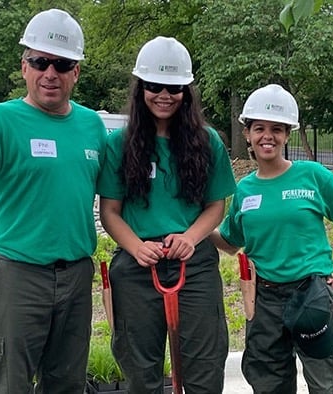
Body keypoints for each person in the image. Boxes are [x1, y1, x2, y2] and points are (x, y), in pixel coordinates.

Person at [0, 9, 107, 393]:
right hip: (19, 273)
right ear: (24, 67)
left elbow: (116, 195)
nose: (51, 72)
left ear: (76, 72)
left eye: (63, 64)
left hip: (76, 274)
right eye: (40, 61)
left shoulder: (92, 126)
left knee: (67, 381)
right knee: (8, 380)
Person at [97, 36, 237, 393]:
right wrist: (136, 247)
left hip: (193, 262)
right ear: (140, 87)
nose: (164, 94)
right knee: (139, 368)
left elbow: (215, 205)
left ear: (186, 92)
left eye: (174, 87)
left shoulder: (207, 142)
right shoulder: (119, 143)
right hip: (137, 263)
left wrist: (190, 238)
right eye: (154, 86)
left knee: (204, 366)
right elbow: (110, 211)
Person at [209, 84, 333, 393]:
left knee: (325, 383)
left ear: (286, 134)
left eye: (276, 129)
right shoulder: (245, 190)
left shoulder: (312, 175)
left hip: (312, 294)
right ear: (248, 135)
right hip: (265, 299)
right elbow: (230, 243)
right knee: (269, 383)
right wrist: (197, 230)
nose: (267, 136)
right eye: (259, 129)